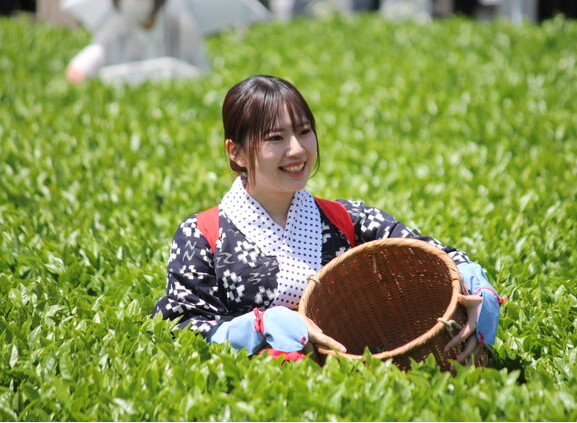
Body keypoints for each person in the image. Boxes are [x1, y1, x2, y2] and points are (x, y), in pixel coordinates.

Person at [152, 75, 501, 364]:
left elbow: (437, 256)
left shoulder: (346, 218)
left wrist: (476, 284)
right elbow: (181, 327)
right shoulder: (202, 234)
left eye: (304, 132)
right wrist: (258, 326)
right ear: (237, 152)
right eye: (276, 138)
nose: (297, 150)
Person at [65, 0, 209, 84]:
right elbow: (86, 61)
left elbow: (204, 74)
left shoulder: (182, 29)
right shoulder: (114, 31)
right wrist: (79, 71)